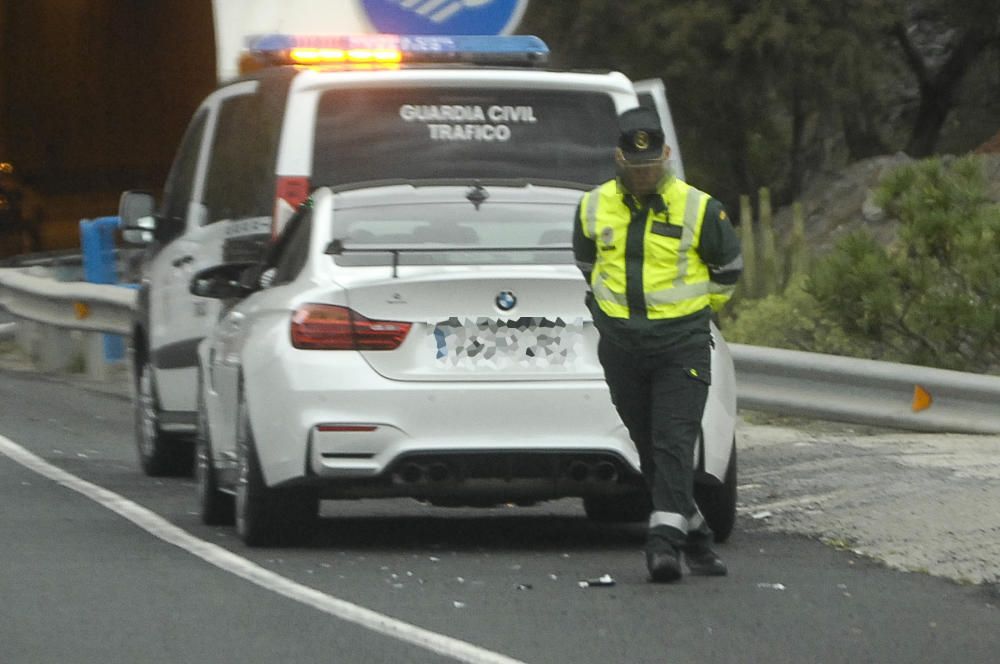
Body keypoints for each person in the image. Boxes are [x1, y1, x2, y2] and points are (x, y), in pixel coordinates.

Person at [572, 107, 743, 582]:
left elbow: (728, 273)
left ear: (666, 155)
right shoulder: (591, 207)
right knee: (648, 448)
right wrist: (608, 317)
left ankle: (662, 544)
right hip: (622, 347)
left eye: (653, 164)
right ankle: (700, 540)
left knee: (673, 443)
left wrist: (692, 316)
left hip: (681, 346)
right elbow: (588, 265)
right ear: (619, 159)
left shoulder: (700, 208)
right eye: (636, 164)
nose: (645, 173)